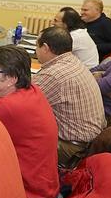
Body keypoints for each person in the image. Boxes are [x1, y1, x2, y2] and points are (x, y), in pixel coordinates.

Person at [0, 45, 59, 198]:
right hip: (46, 188)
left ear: (11, 78)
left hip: (29, 197)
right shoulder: (32, 90)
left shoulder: (7, 107)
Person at [33, 27, 106, 166]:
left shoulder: (53, 74)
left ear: (46, 48)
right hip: (89, 139)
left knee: (13, 138)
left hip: (71, 148)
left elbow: (20, 104)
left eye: (36, 46)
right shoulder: (72, 61)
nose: (36, 51)